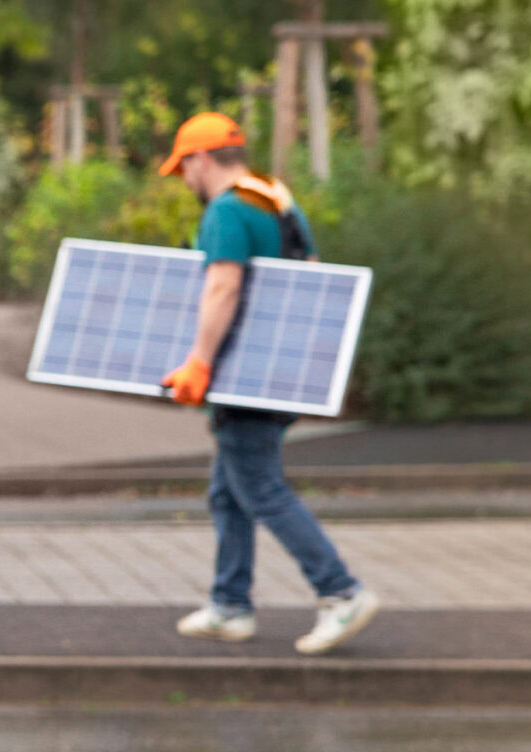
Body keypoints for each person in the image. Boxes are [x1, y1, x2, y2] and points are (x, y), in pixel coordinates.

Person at [155, 112, 380, 656]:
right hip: (284, 372)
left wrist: (200, 362)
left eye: (183, 167)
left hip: (243, 377)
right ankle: (231, 606)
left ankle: (341, 591)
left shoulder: (226, 211)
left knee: (259, 487)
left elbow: (223, 287)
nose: (184, 180)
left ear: (201, 159)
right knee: (228, 492)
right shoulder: (275, 198)